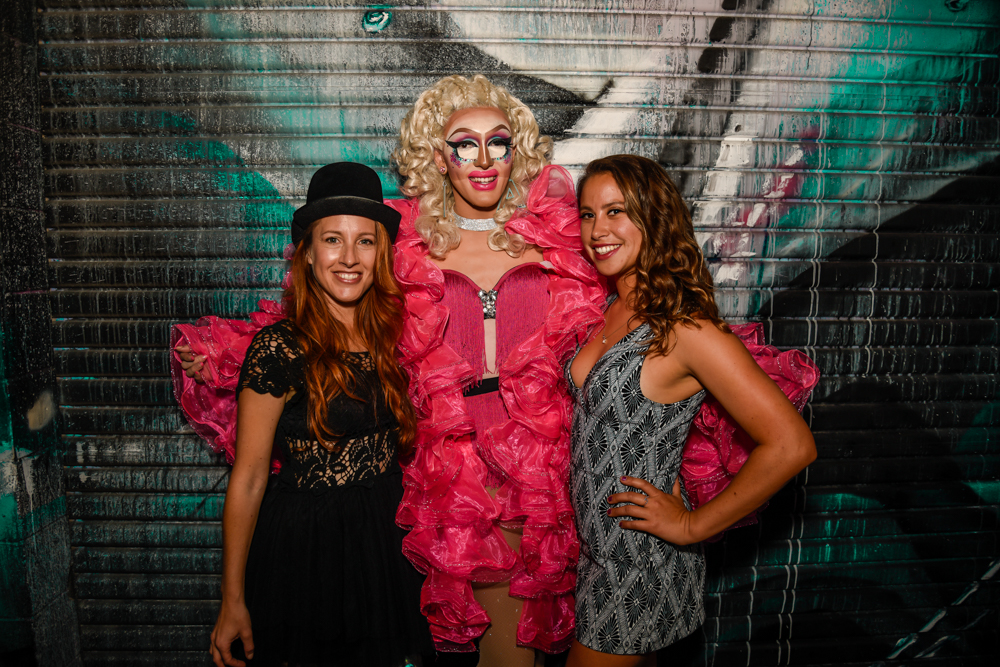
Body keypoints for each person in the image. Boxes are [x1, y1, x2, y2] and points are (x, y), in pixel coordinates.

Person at [174, 75, 607, 667]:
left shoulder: (559, 239)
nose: (483, 159)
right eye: (463, 144)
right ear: (438, 155)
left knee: (515, 645)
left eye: (498, 142)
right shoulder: (407, 246)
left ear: (518, 150)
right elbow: (329, 310)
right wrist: (232, 351)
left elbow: (617, 311)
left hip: (533, 467)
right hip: (443, 467)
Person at [564, 155, 817, 667]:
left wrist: (691, 527)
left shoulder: (687, 328)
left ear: (654, 218)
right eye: (588, 215)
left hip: (637, 562)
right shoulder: (610, 308)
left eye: (616, 212)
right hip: (596, 551)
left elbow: (792, 445)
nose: (598, 230)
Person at [207, 162, 434, 667]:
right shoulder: (277, 349)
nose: (349, 258)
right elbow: (246, 480)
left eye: (366, 242)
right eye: (332, 240)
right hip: (308, 552)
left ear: (382, 256)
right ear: (307, 254)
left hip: (386, 542)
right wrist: (232, 599)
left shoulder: (392, 341)